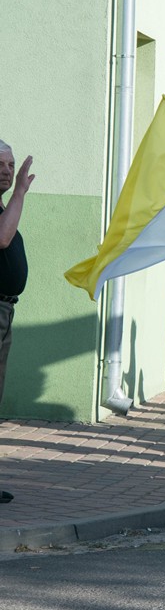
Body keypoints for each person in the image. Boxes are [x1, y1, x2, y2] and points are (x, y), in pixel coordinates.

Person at [0, 140, 33, 505]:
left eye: (10, 165)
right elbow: (3, 236)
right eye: (1, 165)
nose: (7, 171)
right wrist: (21, 193)